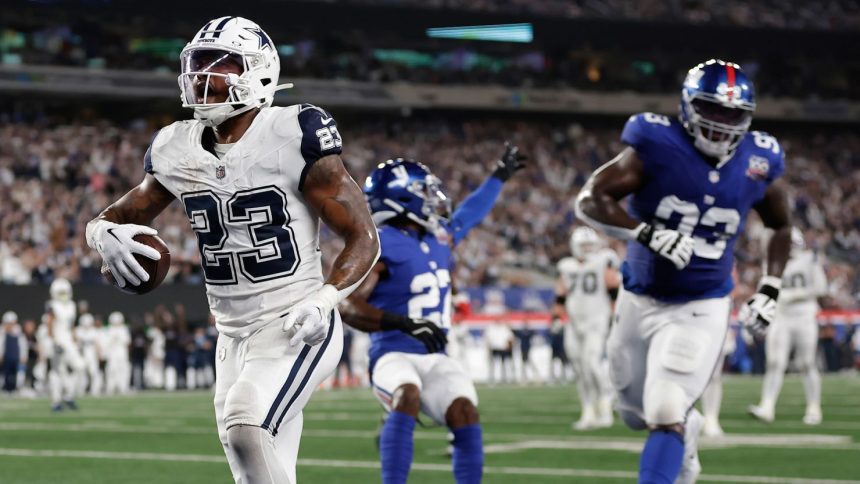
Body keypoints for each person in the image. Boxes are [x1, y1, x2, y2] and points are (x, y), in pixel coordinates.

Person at [84, 16, 379, 484]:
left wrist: (325, 299)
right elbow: (122, 214)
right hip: (230, 333)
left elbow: (364, 236)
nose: (203, 78)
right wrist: (98, 233)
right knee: (254, 470)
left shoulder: (293, 130)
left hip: (296, 321)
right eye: (197, 65)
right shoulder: (174, 145)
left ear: (258, 72)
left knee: (245, 427)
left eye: (218, 66)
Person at [576, 59, 792, 483]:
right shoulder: (656, 143)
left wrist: (770, 287)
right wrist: (646, 234)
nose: (722, 124)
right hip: (638, 297)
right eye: (712, 110)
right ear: (688, 107)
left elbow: (781, 225)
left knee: (665, 408)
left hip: (701, 303)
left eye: (733, 114)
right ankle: (685, 433)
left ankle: (677, 439)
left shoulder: (759, 159)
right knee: (634, 414)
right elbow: (589, 200)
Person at [340, 148, 524, 484]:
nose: (433, 199)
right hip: (392, 354)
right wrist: (404, 323)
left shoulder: (439, 236)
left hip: (435, 355)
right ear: (402, 198)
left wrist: (498, 177)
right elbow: (347, 305)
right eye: (424, 191)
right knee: (407, 394)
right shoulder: (379, 243)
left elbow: (470, 212)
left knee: (465, 410)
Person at [749, 228, 828, 425]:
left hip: (804, 315)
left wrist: (794, 295)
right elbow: (765, 290)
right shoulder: (772, 261)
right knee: (775, 362)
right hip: (781, 317)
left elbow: (821, 287)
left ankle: (813, 407)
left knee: (807, 363)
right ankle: (767, 406)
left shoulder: (809, 259)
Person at [553, 226, 620, 430]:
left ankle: (606, 401)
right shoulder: (566, 266)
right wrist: (556, 316)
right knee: (580, 369)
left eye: (591, 244)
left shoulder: (603, 261)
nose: (588, 248)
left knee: (592, 363)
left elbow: (614, 290)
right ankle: (588, 411)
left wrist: (616, 317)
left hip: (596, 320)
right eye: (584, 245)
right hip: (574, 322)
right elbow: (561, 293)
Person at [44, 278, 85, 411]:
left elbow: (72, 326)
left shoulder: (72, 305)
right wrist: (53, 341)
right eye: (60, 292)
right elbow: (49, 325)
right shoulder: (52, 305)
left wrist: (75, 340)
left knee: (79, 366)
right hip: (58, 339)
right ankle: (56, 401)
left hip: (68, 339)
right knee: (57, 371)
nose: (63, 294)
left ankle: (68, 395)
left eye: (64, 291)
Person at [75, 313, 104, 395]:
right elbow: (76, 343)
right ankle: (80, 390)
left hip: (92, 355)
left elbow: (97, 344)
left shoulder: (94, 331)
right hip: (81, 355)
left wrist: (99, 355)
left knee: (94, 372)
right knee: (81, 373)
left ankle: (95, 390)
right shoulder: (78, 331)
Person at [104, 312, 131, 395]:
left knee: (123, 369)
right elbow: (106, 342)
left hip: (122, 352)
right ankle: (110, 388)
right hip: (112, 352)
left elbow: (127, 341)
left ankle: (123, 387)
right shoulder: (109, 329)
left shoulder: (124, 329)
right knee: (111, 370)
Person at [1, 311, 28, 393]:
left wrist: (23, 356)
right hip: (5, 357)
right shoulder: (1, 332)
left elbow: (23, 345)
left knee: (18, 372)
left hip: (15, 356)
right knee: (3, 373)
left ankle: (17, 388)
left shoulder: (19, 333)